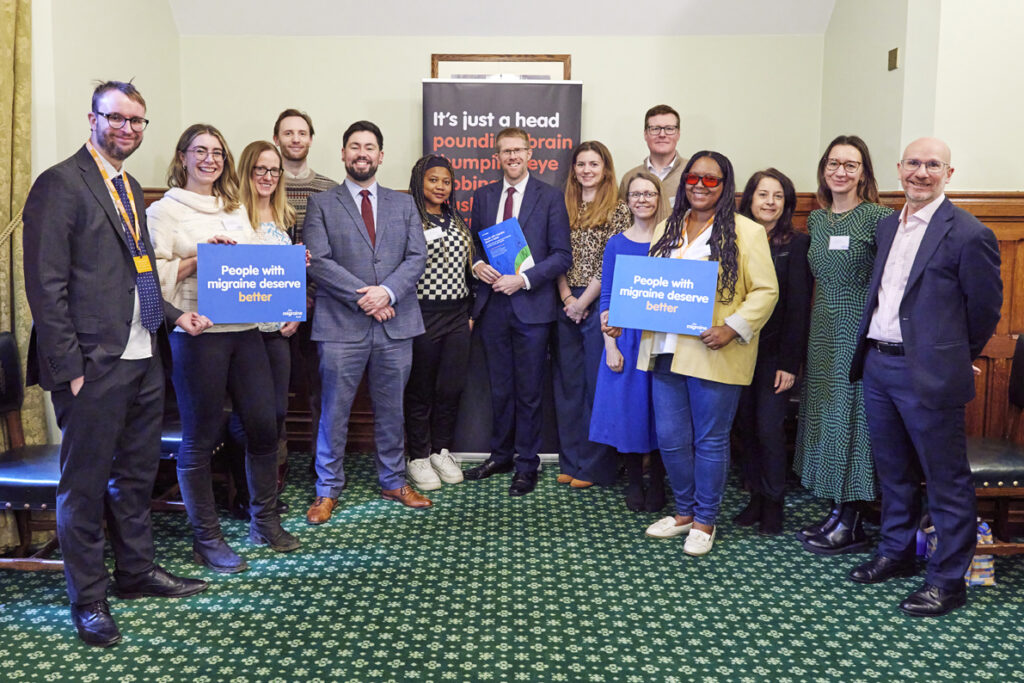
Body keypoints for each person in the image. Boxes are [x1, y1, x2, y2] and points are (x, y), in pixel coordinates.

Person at [22, 80, 209, 648]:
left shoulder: (128, 186)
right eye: (117, 118)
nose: (127, 128)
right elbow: (45, 285)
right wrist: (70, 367)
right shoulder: (59, 184)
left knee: (135, 475)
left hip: (142, 354)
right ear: (93, 118)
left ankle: (135, 571)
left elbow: (140, 273)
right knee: (83, 485)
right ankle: (89, 597)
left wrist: (174, 317)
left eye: (136, 121)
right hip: (92, 364)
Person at [847, 138, 1001, 617]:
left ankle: (947, 579)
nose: (921, 172)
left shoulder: (969, 233)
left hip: (929, 374)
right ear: (898, 169)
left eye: (932, 165)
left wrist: (948, 357)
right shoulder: (890, 225)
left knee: (945, 481)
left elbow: (984, 312)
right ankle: (896, 552)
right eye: (913, 163)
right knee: (893, 471)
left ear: (948, 173)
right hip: (878, 365)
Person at [149, 123, 300, 574]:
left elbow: (253, 268)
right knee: (201, 437)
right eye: (200, 151)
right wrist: (200, 256)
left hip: (246, 330)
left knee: (262, 426)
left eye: (217, 152)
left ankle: (264, 522)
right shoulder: (164, 211)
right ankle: (207, 539)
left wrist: (287, 271)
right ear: (183, 158)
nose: (210, 159)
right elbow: (149, 278)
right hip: (198, 336)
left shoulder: (235, 209)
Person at [631, 151, 778, 556]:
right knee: (672, 439)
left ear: (725, 185)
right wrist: (623, 314)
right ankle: (683, 512)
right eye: (693, 178)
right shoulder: (667, 226)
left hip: (714, 351)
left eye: (711, 180)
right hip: (664, 350)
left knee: (711, 440)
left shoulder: (747, 232)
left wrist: (732, 328)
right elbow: (650, 287)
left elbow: (767, 290)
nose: (699, 185)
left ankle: (705, 520)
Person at [303, 120, 430, 524]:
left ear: (380, 155)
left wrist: (387, 293)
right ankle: (327, 490)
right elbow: (318, 262)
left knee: (392, 410)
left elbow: (417, 257)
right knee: (333, 410)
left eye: (369, 147)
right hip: (340, 326)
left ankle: (393, 481)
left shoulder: (404, 203)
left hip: (396, 325)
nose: (362, 153)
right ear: (343, 154)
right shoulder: (322, 204)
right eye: (354, 146)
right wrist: (368, 299)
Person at [794, 135, 893, 555]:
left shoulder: (879, 218)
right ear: (823, 169)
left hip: (859, 332)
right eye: (834, 163)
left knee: (854, 421)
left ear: (864, 173)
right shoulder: (817, 221)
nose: (840, 171)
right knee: (827, 418)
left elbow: (893, 282)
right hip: (822, 332)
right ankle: (836, 510)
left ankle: (851, 521)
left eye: (851, 165)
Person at [463, 127, 572, 497]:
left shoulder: (551, 197)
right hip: (492, 307)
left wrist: (522, 280)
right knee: (500, 389)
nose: (512, 157)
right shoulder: (483, 196)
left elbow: (561, 256)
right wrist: (478, 266)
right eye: (505, 151)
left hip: (532, 307)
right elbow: (473, 247)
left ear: (530, 154)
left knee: (528, 391)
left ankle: (527, 464)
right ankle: (501, 455)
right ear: (497, 156)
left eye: (518, 150)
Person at [732, 169, 813, 535]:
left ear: (787, 203)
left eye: (777, 196)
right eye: (762, 194)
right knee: (744, 428)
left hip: (774, 355)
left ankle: (775, 504)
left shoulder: (795, 244)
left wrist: (789, 363)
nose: (769, 202)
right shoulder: (733, 238)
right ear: (749, 199)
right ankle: (755, 499)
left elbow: (798, 307)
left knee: (768, 429)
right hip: (735, 349)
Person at [553, 141, 632, 489]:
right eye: (581, 164)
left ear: (606, 170)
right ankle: (571, 461)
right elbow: (553, 253)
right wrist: (567, 297)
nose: (586, 170)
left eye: (594, 164)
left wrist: (582, 302)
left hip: (600, 306)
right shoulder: (561, 206)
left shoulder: (619, 210)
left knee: (595, 387)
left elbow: (611, 263)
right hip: (565, 303)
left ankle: (593, 467)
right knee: (568, 388)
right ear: (573, 170)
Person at [591, 170, 669, 511]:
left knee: (664, 414)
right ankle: (636, 481)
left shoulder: (673, 241)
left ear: (659, 198)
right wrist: (611, 345)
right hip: (627, 338)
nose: (642, 199)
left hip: (665, 338)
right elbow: (607, 296)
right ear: (628, 201)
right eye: (636, 194)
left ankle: (659, 484)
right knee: (632, 414)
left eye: (649, 193)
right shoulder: (617, 243)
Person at [235, 140, 301, 505]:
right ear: (247, 171)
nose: (267, 176)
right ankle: (246, 494)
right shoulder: (230, 214)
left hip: (278, 334)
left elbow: (286, 275)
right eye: (260, 169)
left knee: (276, 412)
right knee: (250, 416)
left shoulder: (285, 216)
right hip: (241, 334)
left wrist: (293, 313)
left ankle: (264, 489)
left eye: (274, 170)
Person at [403, 154, 472, 491]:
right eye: (433, 180)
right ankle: (417, 455)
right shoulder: (408, 218)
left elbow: (469, 268)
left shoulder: (457, 219)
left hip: (458, 316)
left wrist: (471, 313)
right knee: (420, 390)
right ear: (420, 181)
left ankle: (440, 451)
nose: (441, 187)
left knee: (450, 388)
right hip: (421, 314)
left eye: (446, 181)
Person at [272, 109, 337, 459]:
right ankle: (277, 463)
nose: (295, 139)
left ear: (311, 139)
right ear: (276, 139)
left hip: (320, 305)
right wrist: (287, 300)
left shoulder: (328, 189)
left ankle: (320, 461)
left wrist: (308, 295)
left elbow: (334, 252)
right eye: (288, 133)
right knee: (274, 391)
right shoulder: (261, 184)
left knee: (320, 390)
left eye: (302, 133)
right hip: (269, 306)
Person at [617, 105, 687, 208]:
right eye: (655, 129)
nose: (662, 134)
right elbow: (623, 219)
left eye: (669, 129)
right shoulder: (629, 178)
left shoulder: (691, 173)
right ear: (645, 134)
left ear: (678, 134)